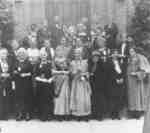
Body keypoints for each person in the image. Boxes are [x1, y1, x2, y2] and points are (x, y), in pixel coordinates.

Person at [127, 47, 150, 119]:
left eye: (132, 51)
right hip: (130, 81)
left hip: (137, 81)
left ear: (135, 51)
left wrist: (137, 73)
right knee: (131, 96)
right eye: (130, 51)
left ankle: (138, 112)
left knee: (138, 96)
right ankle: (132, 112)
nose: (131, 53)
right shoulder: (129, 59)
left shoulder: (141, 59)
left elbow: (145, 70)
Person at [70, 47, 92, 121]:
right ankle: (78, 115)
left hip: (83, 82)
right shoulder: (72, 62)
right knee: (77, 98)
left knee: (85, 98)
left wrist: (84, 74)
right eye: (76, 53)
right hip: (76, 82)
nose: (78, 55)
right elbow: (71, 74)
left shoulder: (85, 62)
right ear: (74, 54)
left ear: (81, 54)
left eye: (79, 53)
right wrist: (76, 72)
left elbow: (88, 72)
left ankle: (85, 115)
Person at [13, 48, 33, 121]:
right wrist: (15, 73)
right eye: (20, 53)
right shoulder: (16, 62)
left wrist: (26, 74)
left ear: (25, 55)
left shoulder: (28, 63)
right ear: (18, 54)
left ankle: (27, 114)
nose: (21, 55)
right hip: (18, 83)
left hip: (26, 83)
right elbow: (13, 71)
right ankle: (20, 114)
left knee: (27, 98)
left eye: (23, 53)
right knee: (19, 99)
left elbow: (32, 73)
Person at [53, 37, 71, 121]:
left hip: (65, 79)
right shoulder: (55, 61)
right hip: (58, 79)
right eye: (58, 50)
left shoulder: (67, 61)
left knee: (65, 96)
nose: (60, 52)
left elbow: (69, 70)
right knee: (59, 97)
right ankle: (59, 114)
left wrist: (66, 72)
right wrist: (60, 72)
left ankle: (66, 113)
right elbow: (53, 71)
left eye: (61, 51)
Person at [34, 48, 54, 121]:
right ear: (40, 56)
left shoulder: (50, 64)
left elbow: (53, 74)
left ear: (47, 56)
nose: (43, 56)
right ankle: (42, 116)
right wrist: (42, 80)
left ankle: (49, 115)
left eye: (45, 55)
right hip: (41, 85)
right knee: (41, 100)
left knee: (48, 100)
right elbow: (35, 76)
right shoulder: (37, 64)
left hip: (49, 85)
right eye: (42, 55)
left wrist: (50, 79)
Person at [107, 50, 126, 119]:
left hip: (120, 82)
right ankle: (112, 114)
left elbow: (123, 71)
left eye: (116, 54)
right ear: (111, 55)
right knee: (113, 99)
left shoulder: (120, 62)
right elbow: (109, 73)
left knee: (119, 98)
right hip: (112, 82)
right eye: (114, 54)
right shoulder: (109, 62)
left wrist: (122, 78)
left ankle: (117, 114)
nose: (115, 55)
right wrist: (115, 79)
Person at [89, 50, 108, 120]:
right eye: (94, 57)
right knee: (93, 100)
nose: (95, 59)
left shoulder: (102, 65)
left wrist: (95, 76)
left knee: (100, 101)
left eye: (97, 57)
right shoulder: (90, 65)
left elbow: (104, 75)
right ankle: (94, 114)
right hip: (92, 85)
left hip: (100, 85)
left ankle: (100, 115)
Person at [0, 48, 13, 120]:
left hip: (8, 83)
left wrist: (9, 75)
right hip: (0, 83)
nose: (4, 55)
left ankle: (6, 115)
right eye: (2, 53)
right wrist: (1, 75)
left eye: (5, 53)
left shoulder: (9, 62)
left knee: (7, 99)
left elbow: (12, 72)